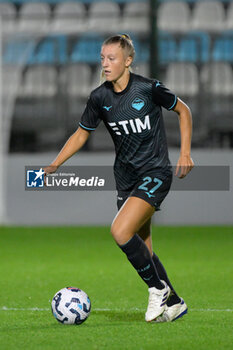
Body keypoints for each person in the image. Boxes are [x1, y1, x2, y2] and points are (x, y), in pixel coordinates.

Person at [44, 34, 194, 323]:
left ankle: (156, 289)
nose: (105, 63)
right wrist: (55, 164)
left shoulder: (148, 89)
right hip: (125, 180)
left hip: (155, 173)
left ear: (128, 61)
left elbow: (183, 110)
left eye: (112, 58)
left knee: (119, 231)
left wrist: (185, 153)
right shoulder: (99, 97)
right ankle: (174, 303)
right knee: (143, 246)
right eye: (102, 58)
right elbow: (81, 133)